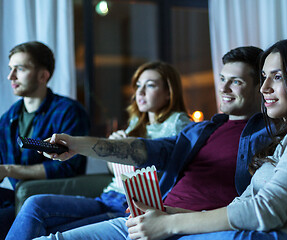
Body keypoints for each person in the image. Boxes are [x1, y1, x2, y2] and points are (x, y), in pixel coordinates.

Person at [15, 45, 273, 240]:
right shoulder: (201, 130)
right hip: (149, 217)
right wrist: (75, 144)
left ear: (259, 87)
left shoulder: (271, 134)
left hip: (192, 226)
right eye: (222, 79)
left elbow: (262, 207)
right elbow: (145, 149)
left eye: (236, 82)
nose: (224, 89)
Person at [119, 38, 287, 240]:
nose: (265, 88)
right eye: (264, 77)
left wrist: (169, 224)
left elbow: (267, 211)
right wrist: (170, 212)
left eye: (277, 77)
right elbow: (243, 204)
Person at [6, 61, 192, 239]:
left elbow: (178, 171)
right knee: (35, 203)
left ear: (169, 92)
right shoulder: (136, 124)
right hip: (109, 196)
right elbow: (114, 171)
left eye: (150, 86)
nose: (140, 92)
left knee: (53, 231)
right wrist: (115, 151)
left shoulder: (179, 123)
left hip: (132, 205)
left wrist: (124, 149)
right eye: (138, 85)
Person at [0, 41, 90, 238]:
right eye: (10, 69)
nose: (10, 77)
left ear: (43, 75)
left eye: (20, 69)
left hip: (53, 198)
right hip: (16, 197)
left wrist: (8, 170)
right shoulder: (8, 119)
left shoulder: (68, 111)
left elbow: (68, 167)